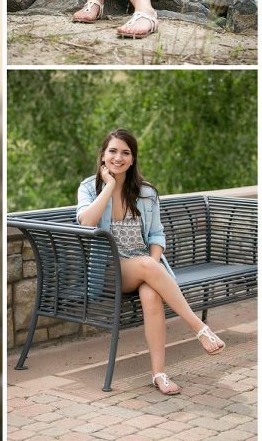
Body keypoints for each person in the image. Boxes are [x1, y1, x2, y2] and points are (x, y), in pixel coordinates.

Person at [76, 129, 225, 395]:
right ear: (103, 155)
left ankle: (160, 374)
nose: (118, 157)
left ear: (132, 159)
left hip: (144, 267)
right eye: (112, 151)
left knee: (151, 296)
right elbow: (86, 222)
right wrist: (109, 186)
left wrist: (152, 265)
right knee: (147, 266)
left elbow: (156, 235)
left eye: (125, 153)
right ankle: (199, 328)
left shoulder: (146, 192)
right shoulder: (89, 188)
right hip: (110, 271)